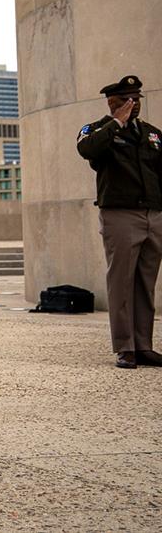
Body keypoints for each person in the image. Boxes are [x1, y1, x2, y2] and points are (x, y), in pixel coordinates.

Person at [75, 75, 162, 369]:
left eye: (137, 99)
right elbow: (87, 150)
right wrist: (116, 123)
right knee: (121, 282)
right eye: (127, 99)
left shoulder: (152, 134)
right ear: (112, 102)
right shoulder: (97, 131)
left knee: (145, 284)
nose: (133, 104)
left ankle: (144, 345)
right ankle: (125, 347)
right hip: (121, 215)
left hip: (153, 214)